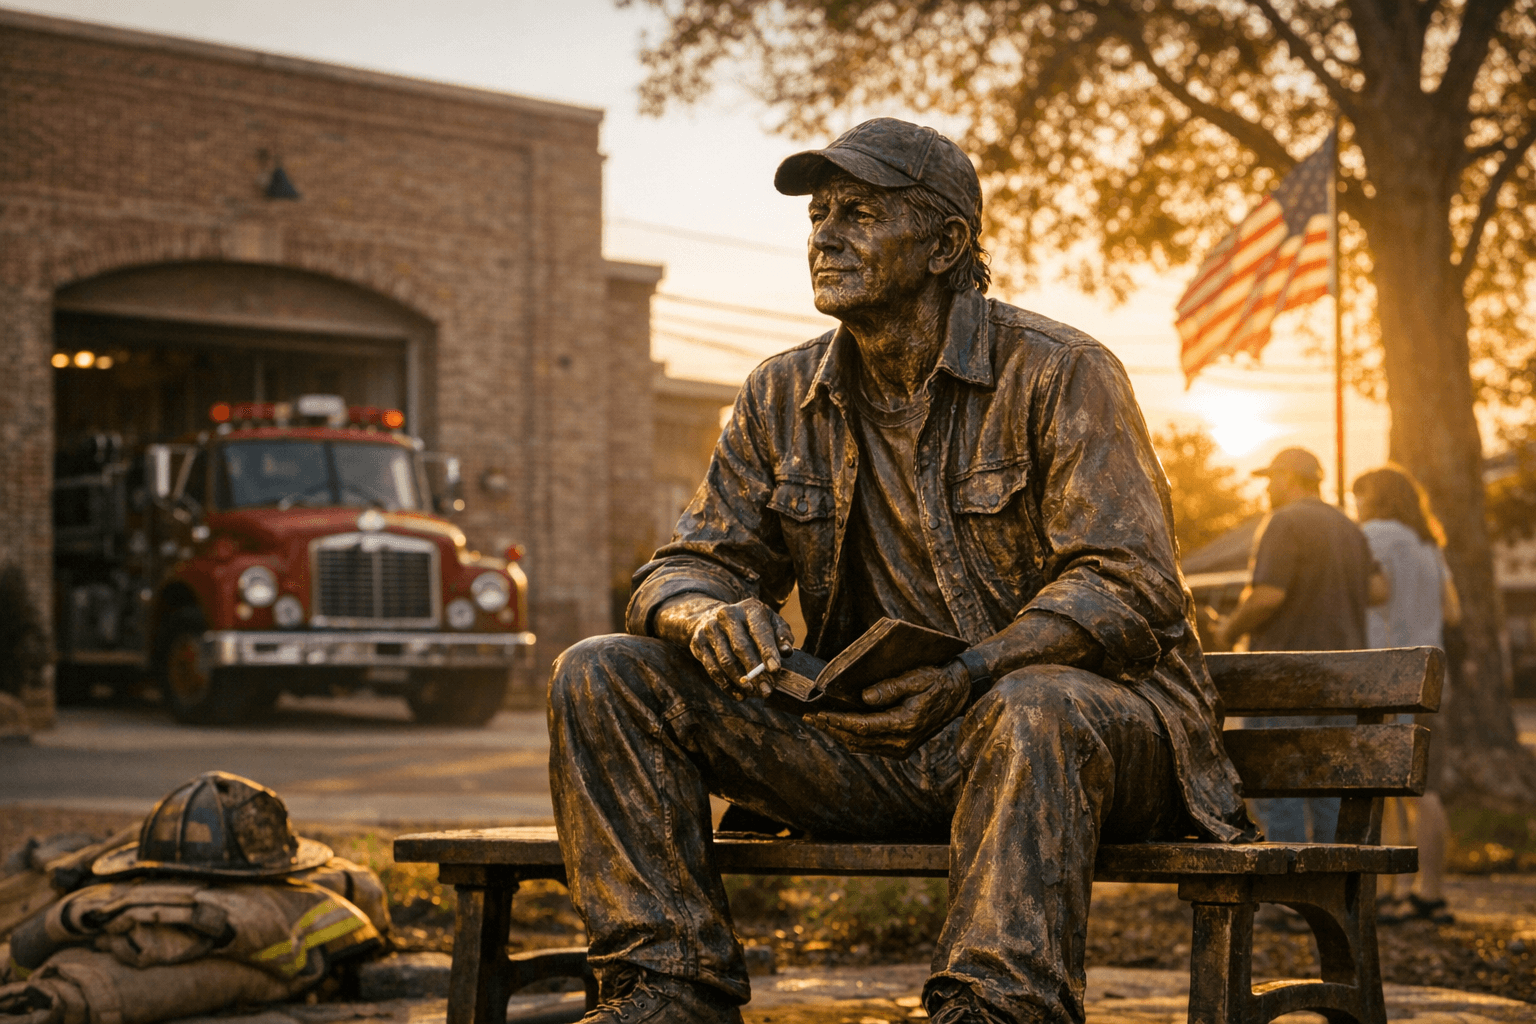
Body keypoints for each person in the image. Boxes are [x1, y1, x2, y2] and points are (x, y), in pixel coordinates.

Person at [547, 118, 1256, 1024]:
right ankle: (670, 984)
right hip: (876, 745)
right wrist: (703, 615)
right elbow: (685, 564)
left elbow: (1129, 583)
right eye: (818, 216)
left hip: (1087, 746)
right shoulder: (778, 395)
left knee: (1032, 705)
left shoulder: (1060, 372)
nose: (826, 236)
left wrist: (973, 671)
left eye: (859, 214)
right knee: (602, 671)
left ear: (946, 244)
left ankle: (997, 1007)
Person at [1216, 447, 1383, 845]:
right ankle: (1325, 888)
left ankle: (1281, 895)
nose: (1268, 488)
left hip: (1286, 678)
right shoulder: (1351, 528)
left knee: (1280, 788)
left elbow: (1267, 596)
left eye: (1271, 479)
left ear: (1290, 477)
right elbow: (1379, 590)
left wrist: (1228, 630)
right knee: (1327, 787)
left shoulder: (1284, 522)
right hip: (1343, 680)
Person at [1353, 465, 1460, 925]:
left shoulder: (1374, 535)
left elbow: (1374, 591)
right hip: (1432, 673)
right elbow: (1452, 611)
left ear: (1375, 498)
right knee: (1424, 787)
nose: (1355, 505)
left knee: (1396, 789)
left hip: (1388, 673)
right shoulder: (1427, 544)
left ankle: (1394, 890)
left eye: (1360, 496)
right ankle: (1427, 890)